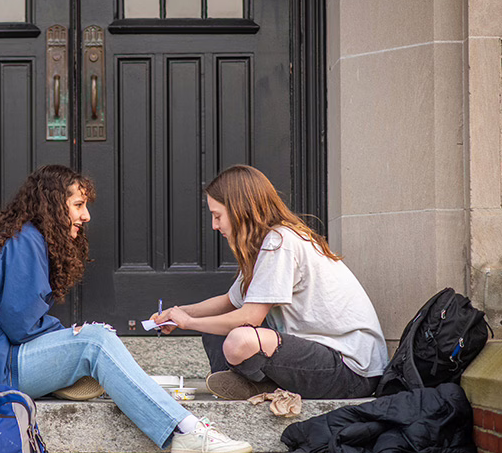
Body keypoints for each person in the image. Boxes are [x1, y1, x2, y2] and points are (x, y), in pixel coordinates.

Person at [0, 164, 252, 453]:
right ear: (53, 206)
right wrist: (66, 336)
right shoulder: (25, 242)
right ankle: (188, 430)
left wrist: (61, 338)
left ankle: (73, 373)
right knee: (96, 342)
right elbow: (19, 326)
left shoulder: (20, 236)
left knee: (91, 342)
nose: (85, 216)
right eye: (78, 205)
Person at [153, 165, 388, 400]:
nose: (215, 226)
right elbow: (229, 302)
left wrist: (190, 322)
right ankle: (248, 384)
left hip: (351, 371)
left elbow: (250, 317)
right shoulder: (263, 246)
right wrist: (178, 314)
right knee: (214, 329)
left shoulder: (281, 241)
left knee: (239, 340)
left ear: (240, 210)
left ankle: (257, 385)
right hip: (317, 361)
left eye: (218, 216)